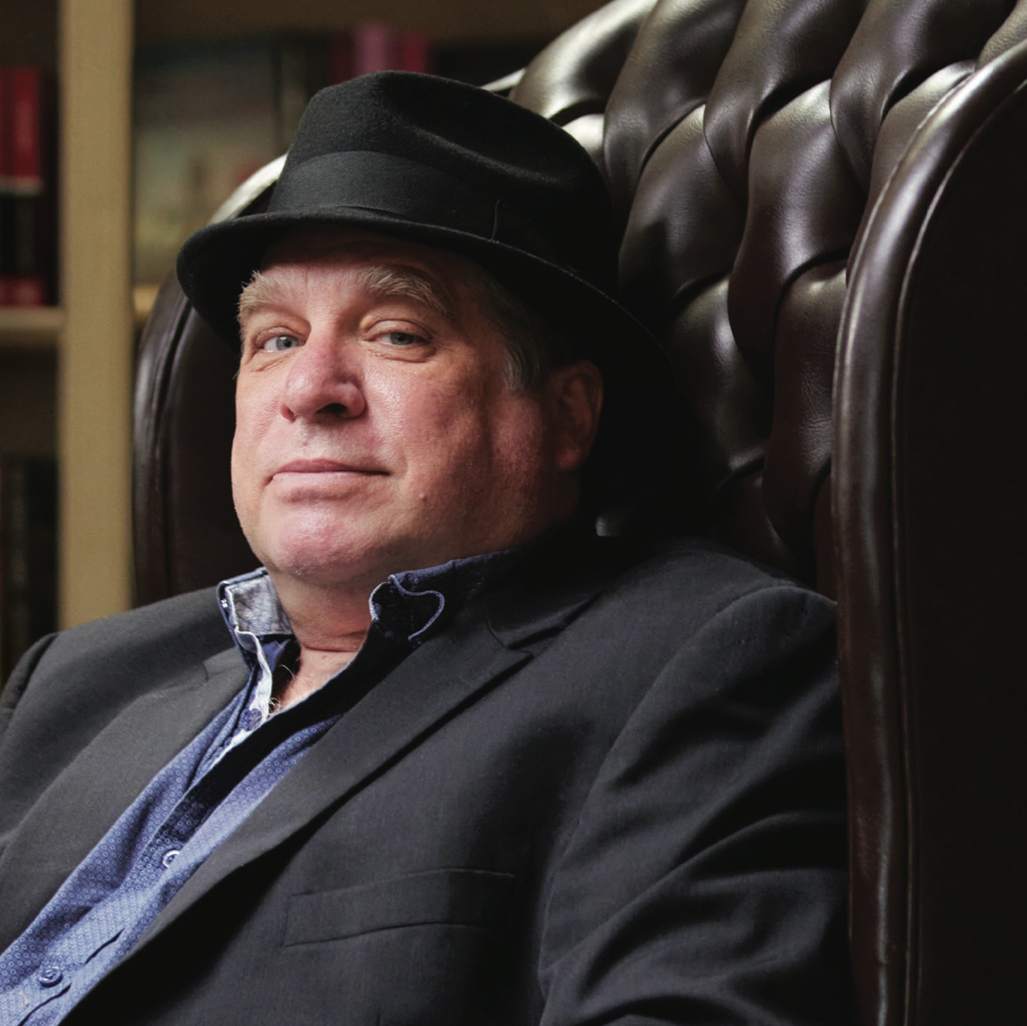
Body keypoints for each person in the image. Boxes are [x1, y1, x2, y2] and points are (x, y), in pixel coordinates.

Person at [0, 73, 851, 1025]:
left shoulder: (706, 667)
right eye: (274, 339)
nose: (310, 388)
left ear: (566, 414)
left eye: (397, 333)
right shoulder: (66, 684)